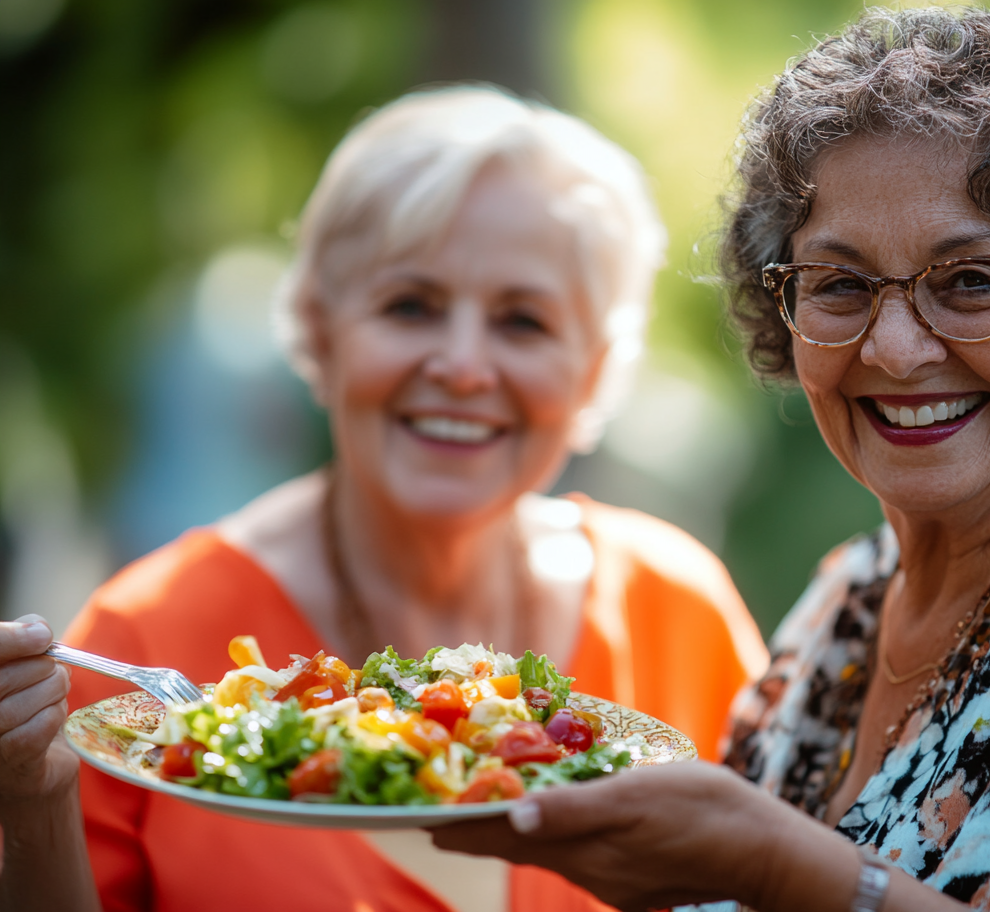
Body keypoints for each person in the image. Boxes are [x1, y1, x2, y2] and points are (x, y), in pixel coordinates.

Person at [426, 9, 990, 911]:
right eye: (840, 285)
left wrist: (786, 872)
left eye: (972, 281)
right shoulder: (841, 609)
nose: (892, 348)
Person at [0, 87, 767, 912]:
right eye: (411, 306)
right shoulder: (143, 637)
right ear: (317, 332)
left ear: (592, 374)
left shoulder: (677, 608)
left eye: (523, 322)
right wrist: (36, 802)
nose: (463, 366)